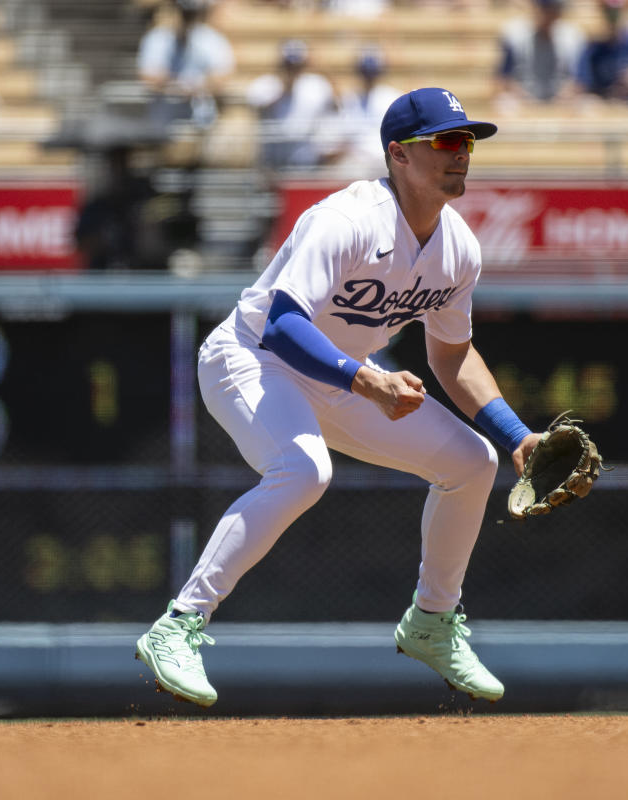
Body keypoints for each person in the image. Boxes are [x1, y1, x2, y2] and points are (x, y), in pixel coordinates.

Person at [134, 87, 543, 707]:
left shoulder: (460, 248)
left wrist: (517, 436)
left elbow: (451, 356)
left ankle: (432, 621)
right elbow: (282, 326)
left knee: (473, 463)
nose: (462, 154)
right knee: (303, 471)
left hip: (343, 374)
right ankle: (179, 625)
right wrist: (368, 381)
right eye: (446, 141)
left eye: (467, 142)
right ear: (398, 155)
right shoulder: (345, 220)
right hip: (249, 359)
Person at [137, 0, 235, 129]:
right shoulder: (158, 38)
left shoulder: (211, 39)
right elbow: (148, 77)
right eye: (182, 12)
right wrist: (179, 86)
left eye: (190, 13)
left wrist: (194, 86)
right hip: (164, 116)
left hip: (201, 115)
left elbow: (222, 77)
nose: (185, 18)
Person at [246, 39, 336, 170]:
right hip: (273, 157)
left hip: (306, 156)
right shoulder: (265, 85)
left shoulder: (317, 85)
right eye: (288, 65)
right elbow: (258, 107)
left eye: (297, 66)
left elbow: (334, 112)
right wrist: (283, 89)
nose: (292, 70)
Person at [495, 0, 585, 109]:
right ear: (534, 8)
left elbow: (580, 79)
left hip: (562, 100)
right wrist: (520, 95)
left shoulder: (572, 35)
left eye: (553, 10)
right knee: (504, 104)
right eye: (544, 9)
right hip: (522, 99)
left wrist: (568, 94)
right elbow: (503, 78)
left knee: (587, 105)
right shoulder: (514, 33)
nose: (548, 14)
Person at [329, 47, 401, 174]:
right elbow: (340, 136)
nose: (368, 77)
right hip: (356, 163)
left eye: (371, 72)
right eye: (365, 72)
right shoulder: (348, 100)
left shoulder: (392, 97)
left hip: (385, 162)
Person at [577, 0, 628, 104]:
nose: (613, 15)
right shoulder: (593, 49)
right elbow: (585, 85)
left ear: (625, 9)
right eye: (608, 10)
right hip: (608, 105)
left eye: (616, 10)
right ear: (601, 11)